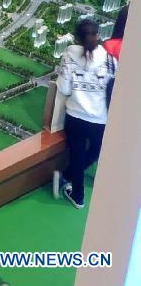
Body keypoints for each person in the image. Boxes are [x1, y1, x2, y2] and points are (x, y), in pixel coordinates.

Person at [55, 19, 115, 209]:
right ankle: (67, 176)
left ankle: (78, 196)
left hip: (75, 116)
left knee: (77, 155)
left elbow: (64, 88)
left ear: (77, 38)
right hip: (100, 119)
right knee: (95, 152)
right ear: (98, 35)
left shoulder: (69, 55)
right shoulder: (110, 60)